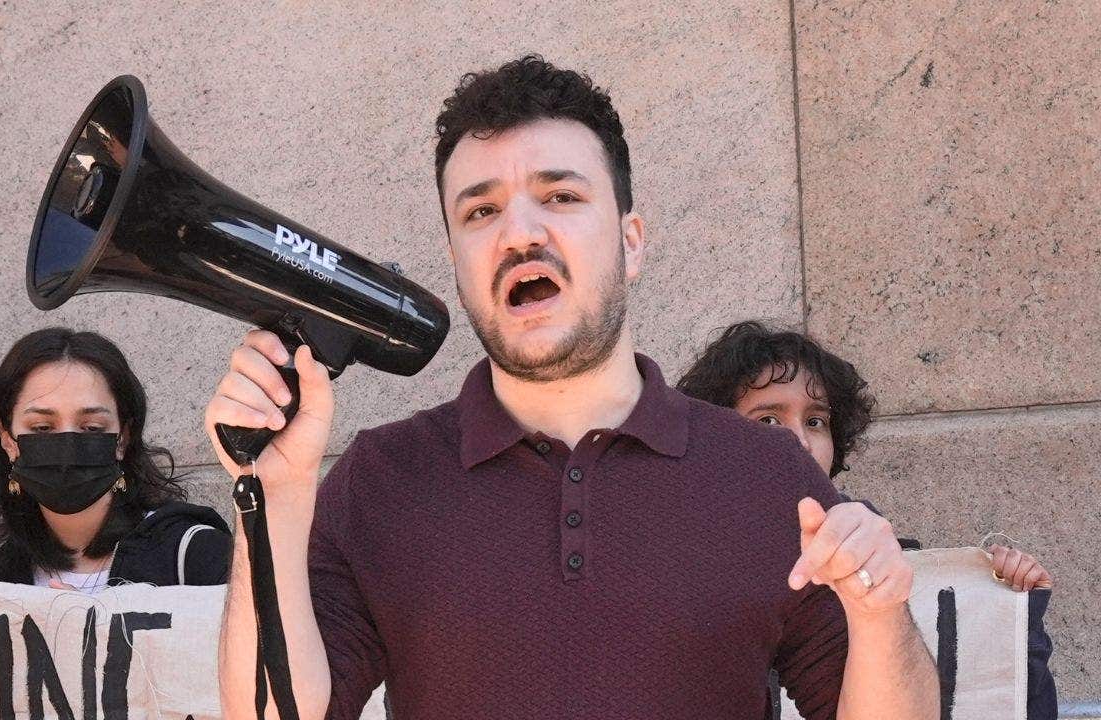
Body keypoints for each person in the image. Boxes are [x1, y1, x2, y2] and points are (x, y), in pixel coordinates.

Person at [209, 56, 940, 719]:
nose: (519, 233)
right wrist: (273, 498)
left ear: (630, 241)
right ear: (458, 263)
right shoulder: (380, 479)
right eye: (481, 211)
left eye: (559, 196)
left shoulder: (768, 473)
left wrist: (880, 615)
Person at [676, 319, 1057, 719]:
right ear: (718, 440)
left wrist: (1017, 616)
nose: (798, 442)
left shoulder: (888, 571)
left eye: (815, 421)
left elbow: (999, 700)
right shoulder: (682, 570)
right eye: (768, 420)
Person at [0, 327, 230, 591]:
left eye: (92, 428)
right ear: (7, 440)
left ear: (123, 438)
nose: (67, 447)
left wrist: (94, 619)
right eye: (42, 428)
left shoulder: (197, 556)